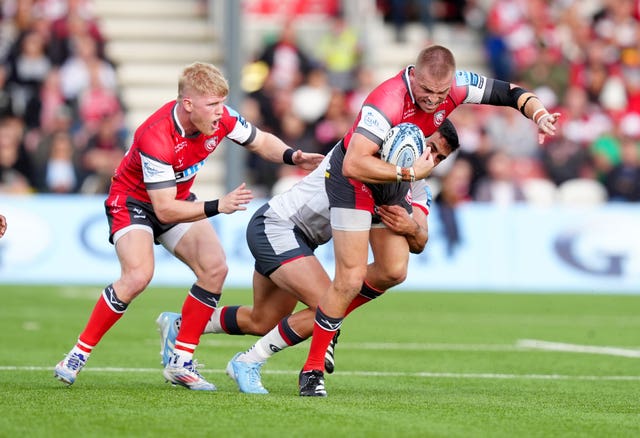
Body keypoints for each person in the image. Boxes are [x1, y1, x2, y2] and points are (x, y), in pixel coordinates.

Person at [299, 44, 561, 397]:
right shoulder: (387, 99)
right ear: (413, 75)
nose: (434, 100)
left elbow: (511, 93)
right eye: (426, 91)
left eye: (441, 93)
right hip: (355, 179)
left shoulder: (457, 87)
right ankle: (313, 369)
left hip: (394, 177)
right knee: (349, 278)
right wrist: (410, 172)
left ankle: (329, 320)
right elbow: (353, 163)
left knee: (394, 270)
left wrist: (539, 114)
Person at [53, 61, 324, 391]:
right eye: (212, 105)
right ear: (187, 104)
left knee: (215, 268)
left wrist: (293, 156)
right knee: (138, 275)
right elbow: (164, 211)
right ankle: (77, 354)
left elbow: (259, 141)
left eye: (221, 104)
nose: (219, 112)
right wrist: (217, 206)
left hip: (175, 197)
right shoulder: (156, 136)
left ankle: (181, 361)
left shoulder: (219, 118)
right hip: (133, 203)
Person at [156, 120, 460, 394]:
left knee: (263, 320)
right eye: (430, 147)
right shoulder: (364, 153)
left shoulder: (416, 186)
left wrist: (411, 228)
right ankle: (248, 362)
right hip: (277, 226)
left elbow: (420, 238)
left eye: (439, 157)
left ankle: (183, 325)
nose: (429, 157)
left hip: (300, 241)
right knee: (327, 307)